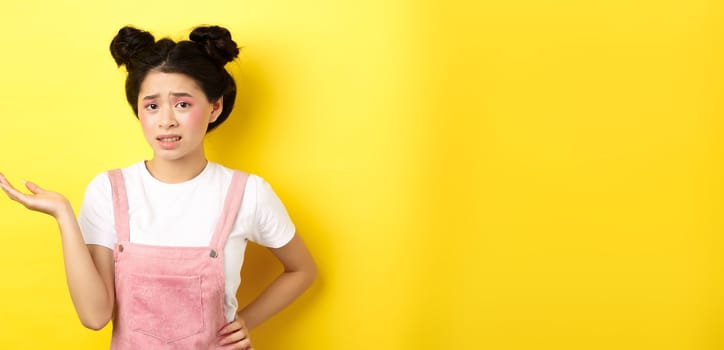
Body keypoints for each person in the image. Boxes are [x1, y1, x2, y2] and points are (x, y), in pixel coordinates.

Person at [0, 25, 316, 349]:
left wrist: (244, 321)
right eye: (152, 106)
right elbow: (95, 317)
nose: (166, 120)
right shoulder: (110, 191)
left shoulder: (248, 193)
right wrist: (63, 215)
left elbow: (302, 270)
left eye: (182, 104)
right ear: (138, 110)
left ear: (215, 107)